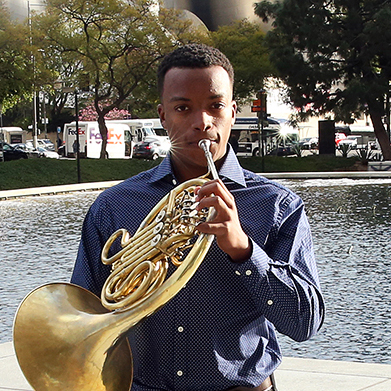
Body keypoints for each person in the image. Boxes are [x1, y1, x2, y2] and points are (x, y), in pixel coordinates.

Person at [71, 43, 324, 391]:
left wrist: (243, 248)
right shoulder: (115, 205)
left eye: (215, 106)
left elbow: (303, 323)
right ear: (163, 116)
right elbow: (82, 319)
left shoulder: (277, 205)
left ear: (232, 112)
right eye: (183, 108)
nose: (201, 122)